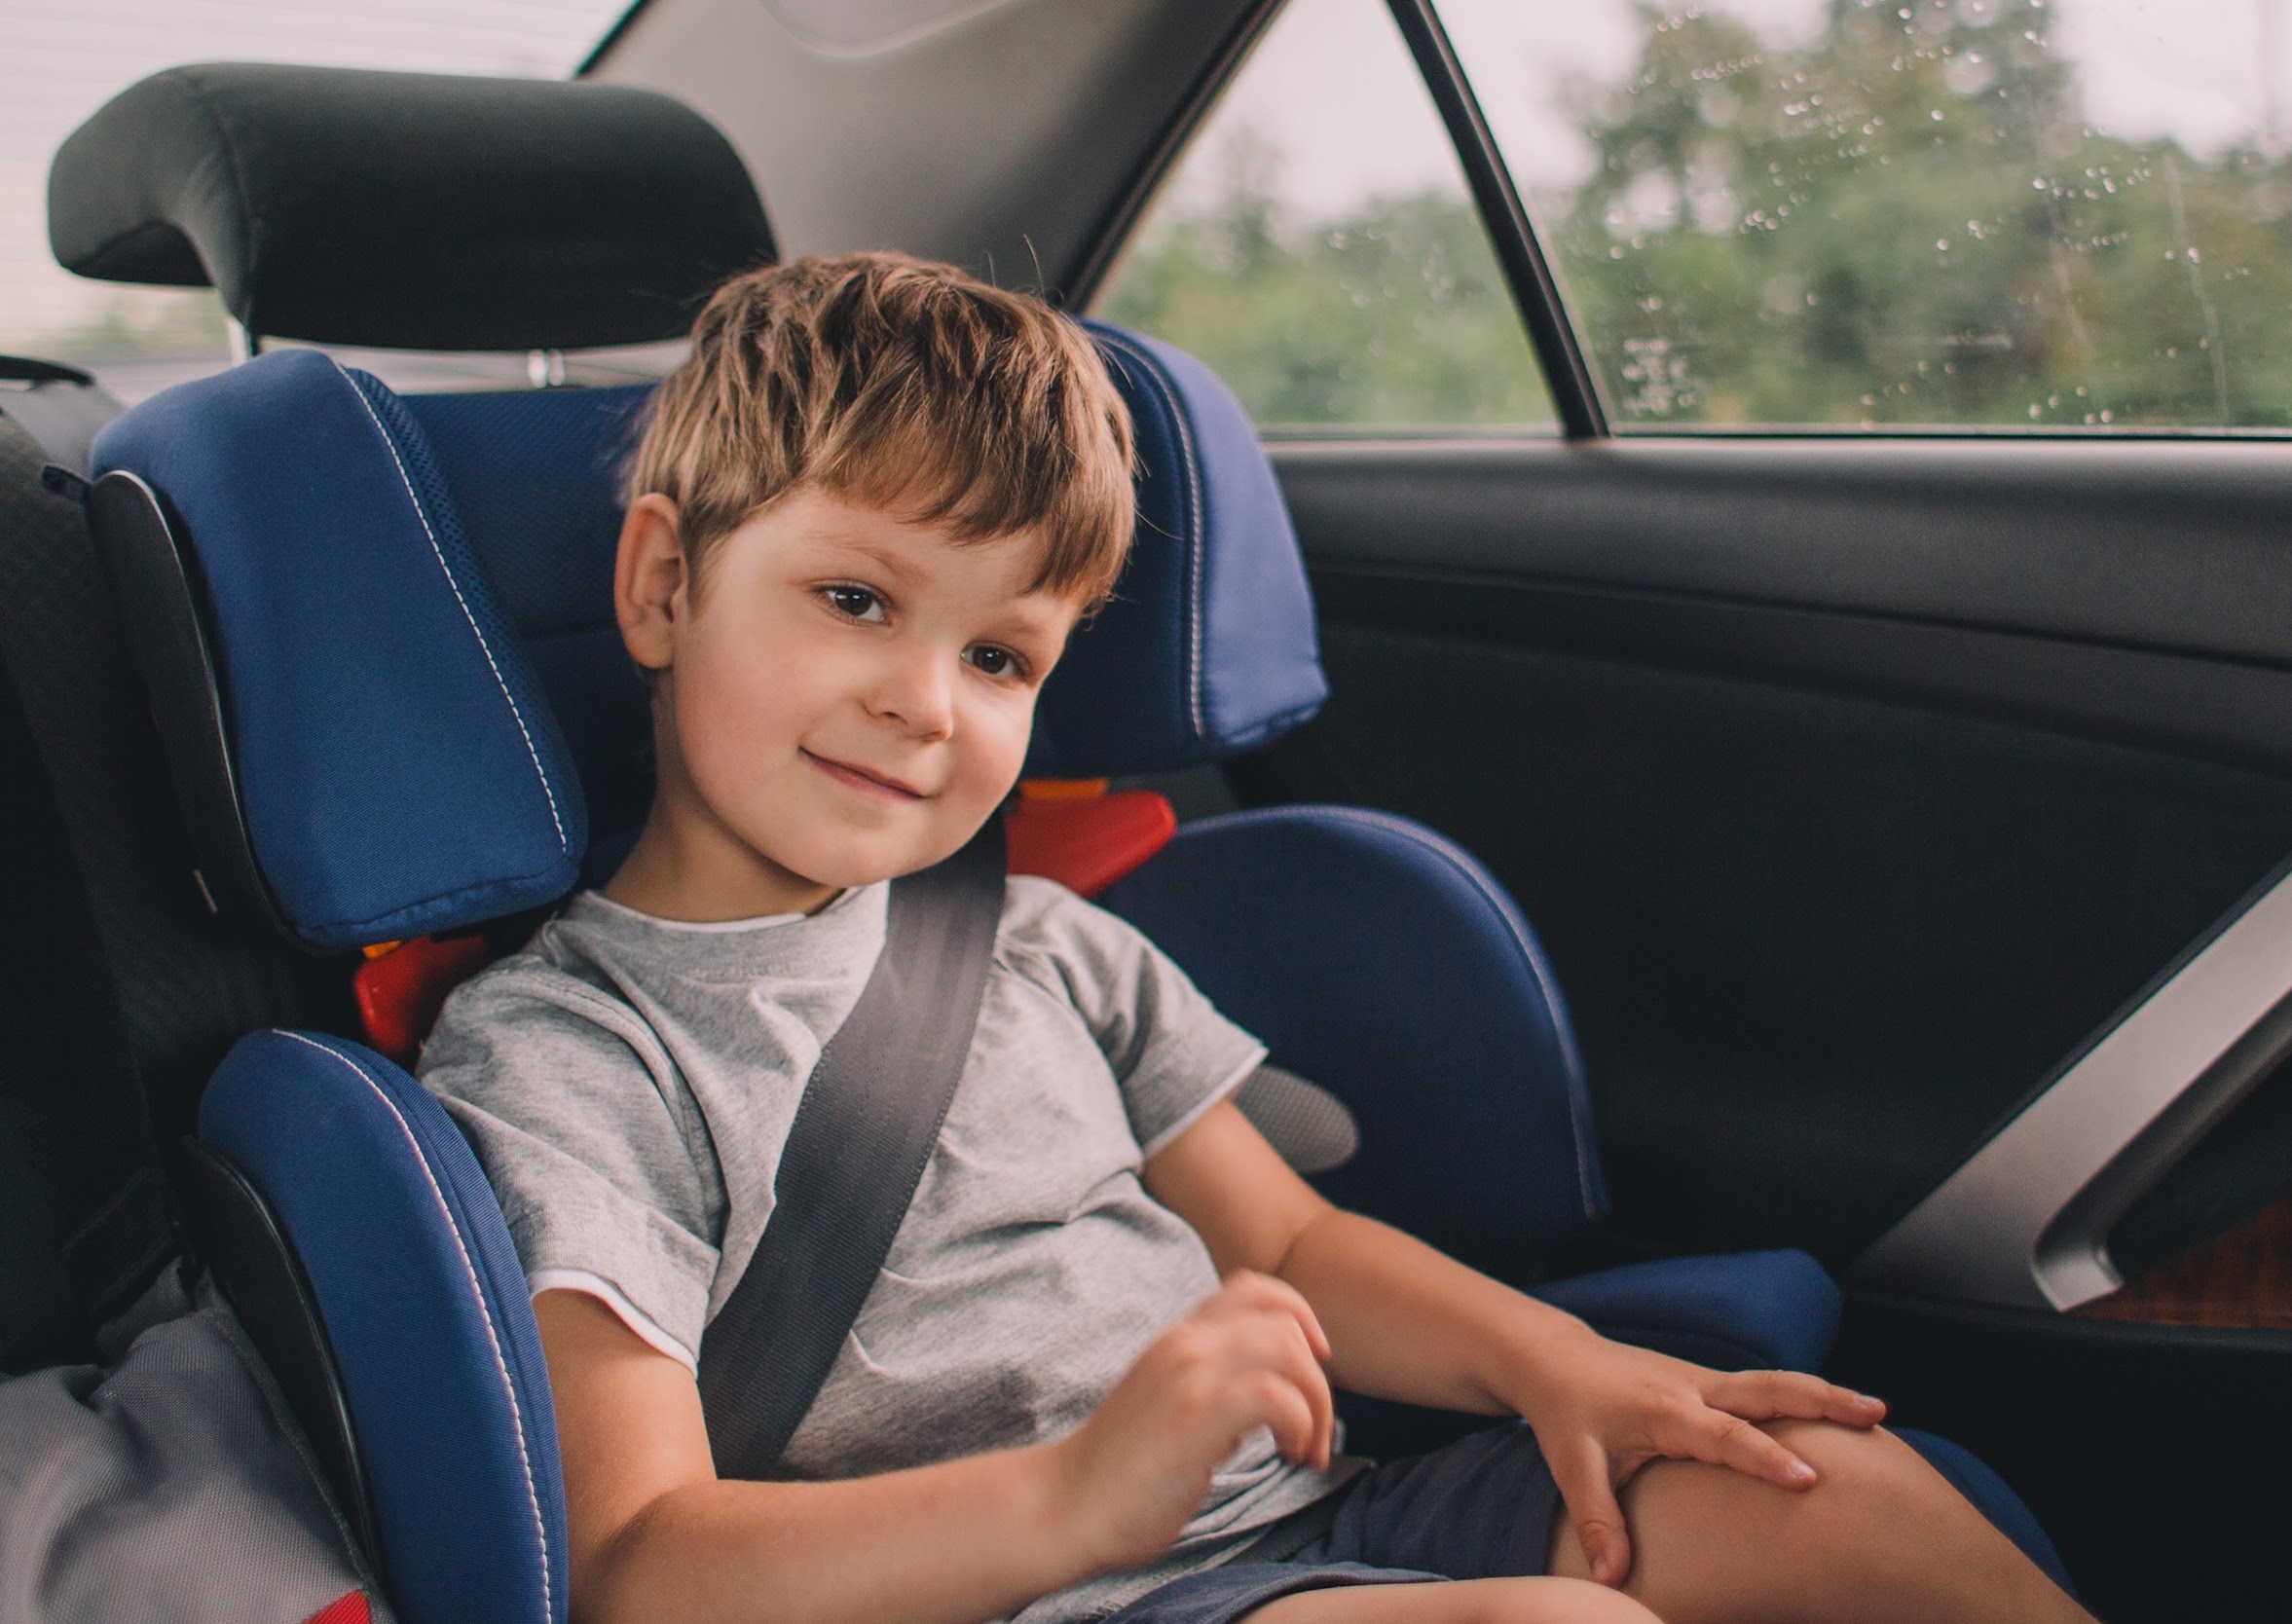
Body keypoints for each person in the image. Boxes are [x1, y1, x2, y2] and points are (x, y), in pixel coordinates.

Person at [419, 252, 2094, 1624]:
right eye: (855, 601)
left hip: (1312, 1521)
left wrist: (1565, 1367)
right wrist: (1076, 1502)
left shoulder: (1034, 944)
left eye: (999, 656)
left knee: (1843, 1503)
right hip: (1022, 1597)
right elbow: (635, 1568)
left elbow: (1286, 1248)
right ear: (660, 586)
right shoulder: (575, 1057)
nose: (924, 704)